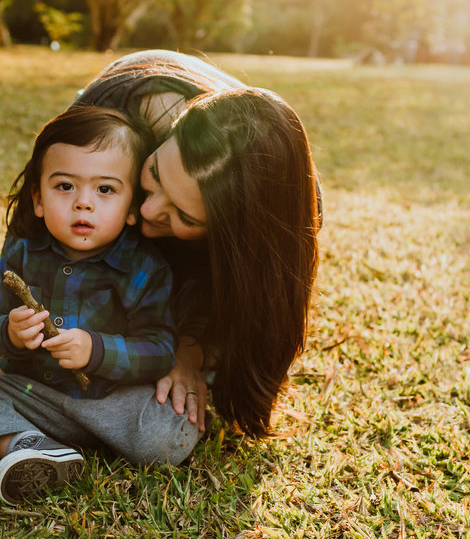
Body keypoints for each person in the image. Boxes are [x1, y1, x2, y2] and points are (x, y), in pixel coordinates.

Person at [0, 103, 192, 505]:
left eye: (105, 189)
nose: (83, 203)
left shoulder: (145, 268)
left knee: (166, 433)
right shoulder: (24, 249)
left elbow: (159, 350)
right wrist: (10, 333)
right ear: (38, 199)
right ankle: (28, 445)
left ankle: (51, 440)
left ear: (131, 207)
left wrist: (97, 350)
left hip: (112, 404)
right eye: (65, 186)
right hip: (31, 393)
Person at [71, 51, 322, 441]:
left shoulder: (288, 207)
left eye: (185, 216)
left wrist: (191, 350)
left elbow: (250, 300)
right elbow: (42, 234)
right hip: (131, 88)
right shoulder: (107, 117)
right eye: (154, 172)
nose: (148, 209)